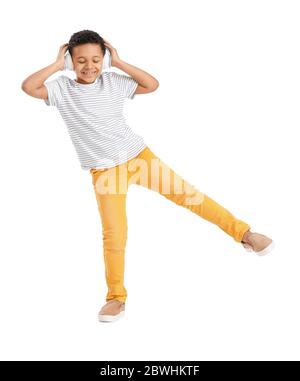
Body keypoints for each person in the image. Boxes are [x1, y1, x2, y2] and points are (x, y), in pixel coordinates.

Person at [21, 29, 275, 323]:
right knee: (114, 234)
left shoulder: (112, 80)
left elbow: (151, 84)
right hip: (105, 171)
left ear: (104, 59)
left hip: (139, 157)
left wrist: (119, 62)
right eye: (80, 61)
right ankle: (116, 297)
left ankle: (244, 234)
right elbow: (29, 87)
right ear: (70, 61)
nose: (89, 66)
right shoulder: (61, 89)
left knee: (191, 197)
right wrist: (56, 65)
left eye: (95, 59)